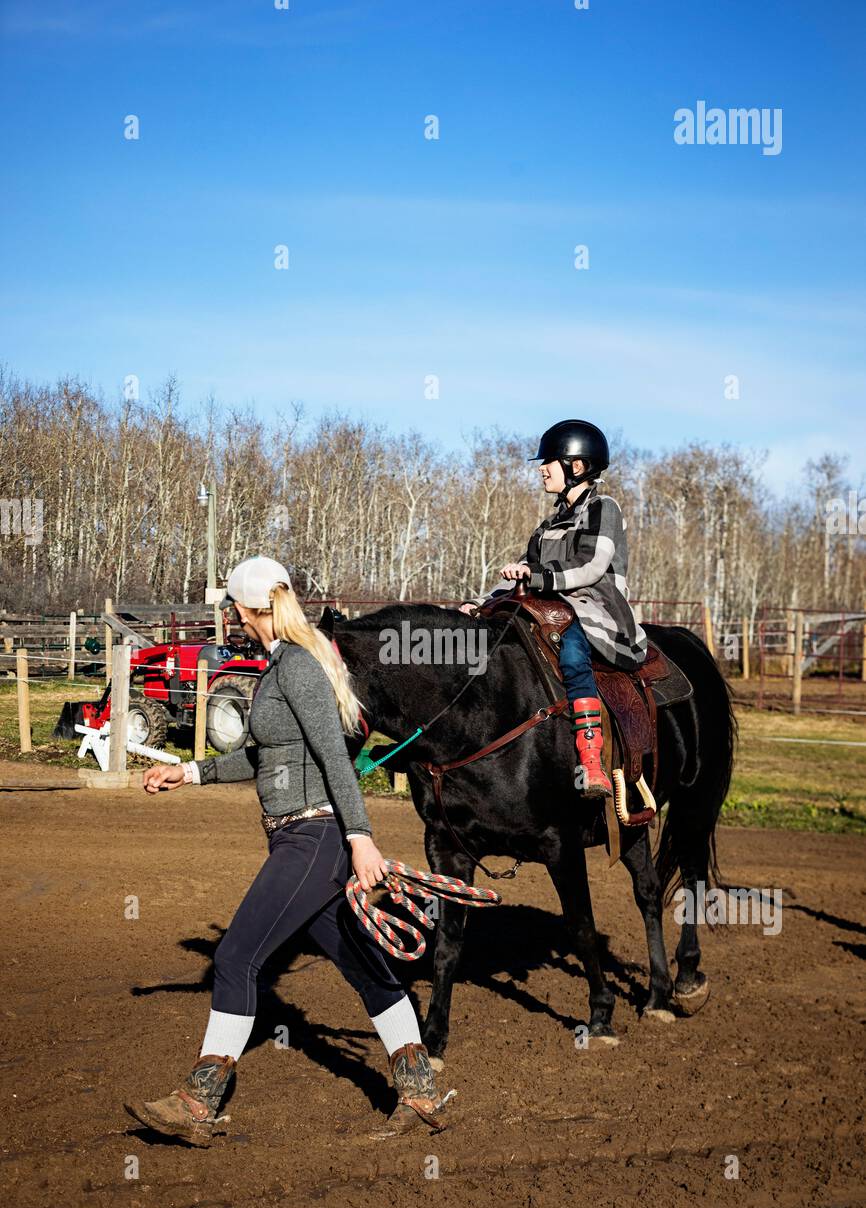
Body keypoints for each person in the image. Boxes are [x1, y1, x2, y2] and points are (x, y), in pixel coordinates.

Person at [125, 555, 451, 1146]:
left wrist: (361, 840)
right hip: (303, 839)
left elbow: (334, 758)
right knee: (365, 967)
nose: (233, 617)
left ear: (251, 609)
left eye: (234, 608)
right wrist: (189, 774)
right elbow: (259, 756)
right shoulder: (279, 668)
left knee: (235, 958)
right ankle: (420, 1089)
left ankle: (200, 1101)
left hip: (314, 838)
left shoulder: (297, 667)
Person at [460, 420, 647, 797]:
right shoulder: (550, 522)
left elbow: (591, 565)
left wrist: (536, 575)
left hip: (595, 612)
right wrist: (481, 603)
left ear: (576, 466)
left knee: (574, 655)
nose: (541, 468)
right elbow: (519, 571)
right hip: (552, 607)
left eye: (549, 461)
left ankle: (592, 761)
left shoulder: (603, 508)